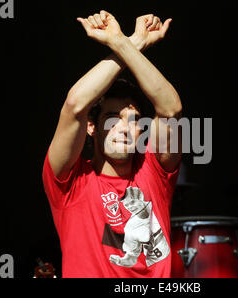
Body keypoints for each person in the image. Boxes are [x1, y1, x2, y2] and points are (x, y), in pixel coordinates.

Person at [42, 10, 182, 278]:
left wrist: (122, 42)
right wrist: (129, 44)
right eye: (112, 118)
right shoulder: (71, 182)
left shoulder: (154, 172)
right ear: (92, 127)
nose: (125, 128)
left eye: (134, 120)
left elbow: (171, 110)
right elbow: (75, 105)